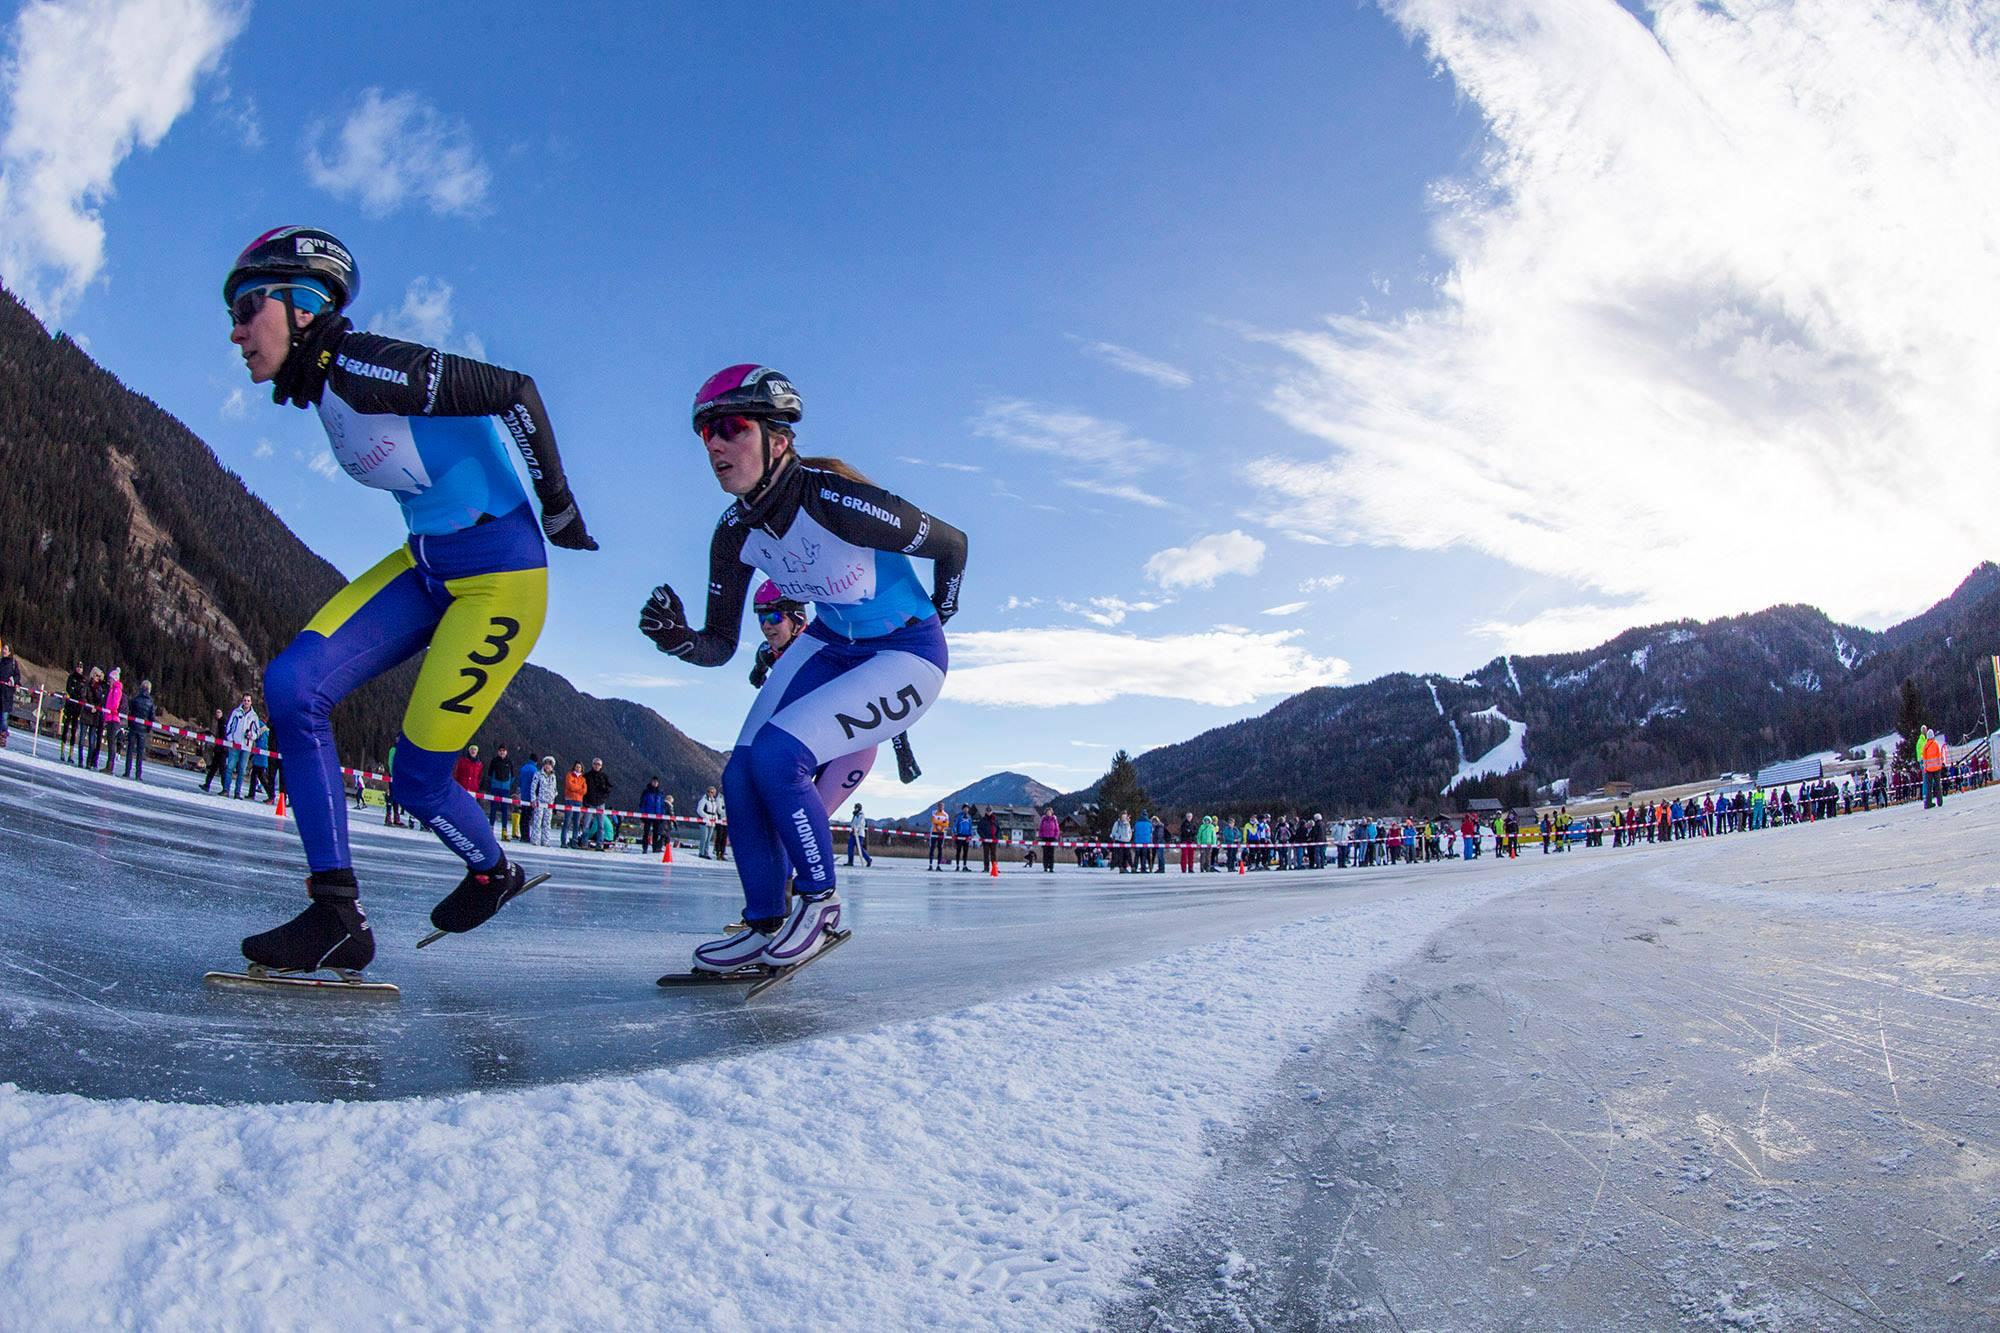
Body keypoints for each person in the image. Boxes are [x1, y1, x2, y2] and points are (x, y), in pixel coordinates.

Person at [225, 225, 597, 975]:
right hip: (425, 565)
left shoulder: (364, 365)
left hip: (498, 581)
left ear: (303, 306)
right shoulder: (328, 386)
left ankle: (493, 872)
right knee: (292, 686)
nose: (235, 332)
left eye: (246, 308)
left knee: (419, 782)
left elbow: (515, 392)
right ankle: (336, 914)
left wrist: (557, 506)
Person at [638, 363, 964, 972]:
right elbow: (718, 644)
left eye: (731, 428)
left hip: (907, 654)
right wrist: (678, 641)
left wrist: (938, 618)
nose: (714, 445)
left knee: (777, 756)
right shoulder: (734, 532)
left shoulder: (836, 501)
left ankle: (821, 902)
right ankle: (763, 920)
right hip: (830, 642)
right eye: (706, 432)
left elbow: (953, 544)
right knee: (740, 773)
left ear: (779, 439)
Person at [485, 744, 517, 842]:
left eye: (504, 750)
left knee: (504, 810)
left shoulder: (509, 762)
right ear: (498, 752)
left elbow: (513, 776)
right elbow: (489, 774)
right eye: (500, 750)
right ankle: (490, 830)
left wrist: (507, 785)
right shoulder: (494, 761)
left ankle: (504, 831)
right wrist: (494, 783)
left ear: (506, 752)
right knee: (493, 809)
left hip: (505, 789)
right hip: (495, 788)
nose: (502, 752)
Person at [528, 756, 558, 847]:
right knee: (537, 821)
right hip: (540, 802)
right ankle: (535, 839)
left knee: (547, 822)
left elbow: (555, 788)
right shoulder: (538, 774)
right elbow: (533, 787)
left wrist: (554, 795)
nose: (548, 766)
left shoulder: (553, 777)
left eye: (550, 764)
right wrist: (533, 799)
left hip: (549, 803)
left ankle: (545, 841)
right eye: (546, 764)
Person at [59, 660, 84, 761]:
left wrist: (79, 696)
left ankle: (71, 754)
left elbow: (82, 692)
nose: (79, 668)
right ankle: (62, 752)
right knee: (65, 728)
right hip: (69, 706)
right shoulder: (71, 677)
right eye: (78, 667)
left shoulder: (83, 680)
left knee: (74, 730)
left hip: (77, 708)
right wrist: (74, 695)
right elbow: (69, 688)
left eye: (80, 667)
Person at [562, 762, 589, 848]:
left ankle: (574, 842)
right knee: (567, 821)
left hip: (578, 801)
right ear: (574, 767)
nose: (578, 768)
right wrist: (578, 788)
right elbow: (570, 786)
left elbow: (584, 791)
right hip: (569, 800)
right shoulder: (569, 775)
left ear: (582, 769)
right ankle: (563, 841)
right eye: (577, 767)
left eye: (579, 767)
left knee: (576, 822)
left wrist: (575, 788)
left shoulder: (583, 779)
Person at [639, 777, 669, 854]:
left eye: (656, 782)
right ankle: (645, 848)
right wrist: (642, 816)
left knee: (656, 833)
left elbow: (662, 805)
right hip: (647, 815)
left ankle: (655, 848)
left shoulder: (660, 793)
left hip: (657, 816)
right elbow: (642, 804)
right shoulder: (646, 792)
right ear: (651, 782)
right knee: (646, 832)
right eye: (654, 782)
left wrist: (662, 815)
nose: (655, 783)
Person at [696, 784, 723, 858]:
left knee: (708, 839)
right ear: (707, 792)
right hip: (704, 821)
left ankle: (706, 853)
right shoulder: (703, 800)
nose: (712, 794)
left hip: (712, 821)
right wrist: (706, 816)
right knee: (704, 838)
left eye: (713, 792)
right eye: (710, 792)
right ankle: (701, 852)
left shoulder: (713, 801)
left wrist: (715, 817)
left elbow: (715, 811)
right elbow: (699, 810)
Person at [0, 639, 19, 744]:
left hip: (7, 695)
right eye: (3, 648)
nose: (4, 651)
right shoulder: (0, 661)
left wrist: (13, 680)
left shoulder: (13, 663)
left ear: (10, 652)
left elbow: (17, 676)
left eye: (6, 649)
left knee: (4, 718)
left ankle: (3, 734)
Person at [847, 802, 873, 867]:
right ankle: (850, 862)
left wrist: (856, 829)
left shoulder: (861, 815)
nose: (854, 809)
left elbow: (860, 824)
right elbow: (852, 823)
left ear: (858, 808)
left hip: (859, 834)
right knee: (850, 847)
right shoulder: (855, 815)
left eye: (856, 808)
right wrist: (852, 829)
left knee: (859, 849)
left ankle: (868, 859)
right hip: (853, 834)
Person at [928, 804, 950, 871]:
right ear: (938, 807)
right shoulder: (934, 812)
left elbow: (946, 824)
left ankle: (938, 865)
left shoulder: (946, 814)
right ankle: (930, 865)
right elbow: (933, 820)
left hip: (941, 832)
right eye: (939, 806)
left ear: (943, 807)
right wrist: (940, 823)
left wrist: (941, 825)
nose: (941, 807)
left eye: (942, 806)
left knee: (940, 849)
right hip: (934, 832)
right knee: (932, 848)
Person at [1038, 807, 1060, 873]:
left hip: (1052, 838)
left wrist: (1056, 837)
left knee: (1051, 854)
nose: (1048, 813)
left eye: (1050, 812)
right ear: (1046, 813)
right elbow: (1040, 829)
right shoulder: (1043, 820)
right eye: (1047, 812)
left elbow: (1057, 829)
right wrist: (1041, 836)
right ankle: (1045, 867)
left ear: (1052, 813)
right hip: (1044, 838)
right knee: (1045, 854)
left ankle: (1051, 867)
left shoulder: (1054, 820)